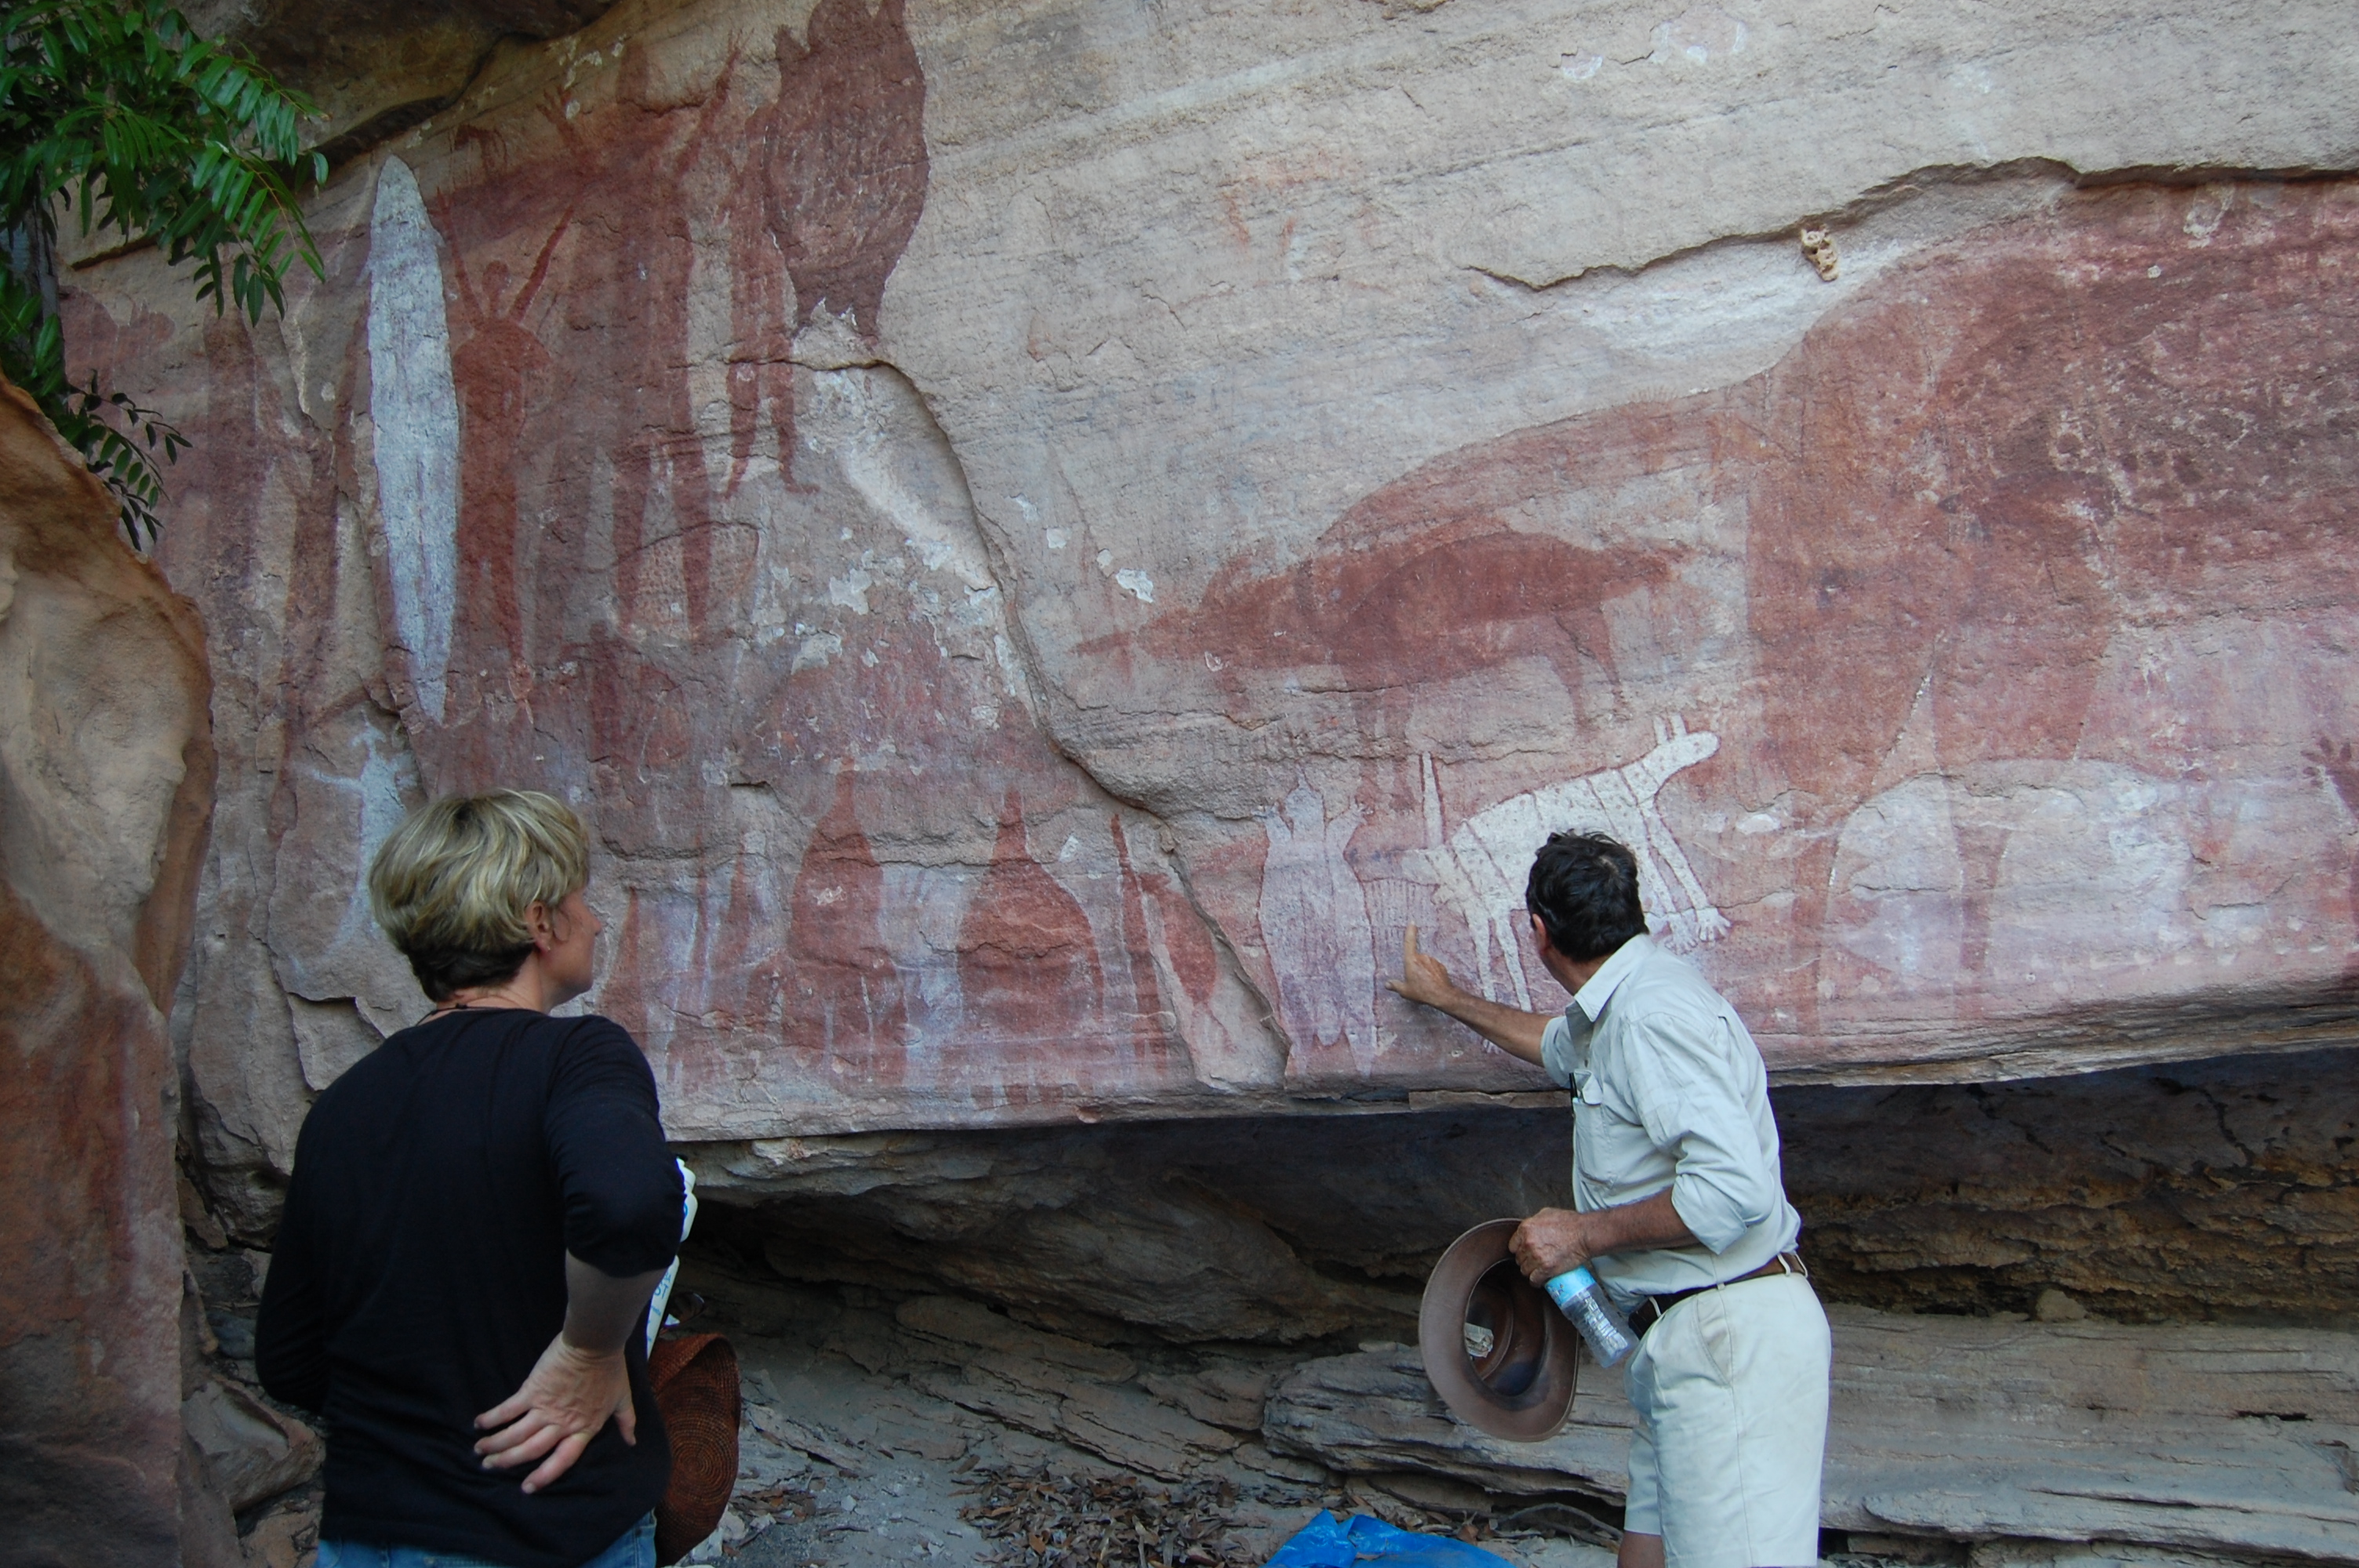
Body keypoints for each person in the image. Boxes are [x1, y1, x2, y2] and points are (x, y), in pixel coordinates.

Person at [256, 791, 684, 1568]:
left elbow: (288, 1356)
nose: (595, 921)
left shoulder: (344, 1105)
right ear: (539, 921)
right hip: (545, 1528)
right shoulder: (577, 1056)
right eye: (581, 900)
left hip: (367, 1534)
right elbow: (629, 1204)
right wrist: (588, 1351)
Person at [1388, 831, 1830, 1568]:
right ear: (1631, 910)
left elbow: (1731, 1194)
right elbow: (1554, 1043)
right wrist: (1449, 999)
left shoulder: (1651, 1017)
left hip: (1728, 1336)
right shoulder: (1619, 1009)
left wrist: (1584, 1236)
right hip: (1679, 1336)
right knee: (1645, 1558)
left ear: (1537, 932)